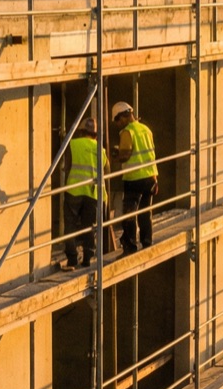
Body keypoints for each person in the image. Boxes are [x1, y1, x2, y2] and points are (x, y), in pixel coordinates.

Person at [110, 101, 158, 255]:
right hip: (150, 177)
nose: (118, 125)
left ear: (122, 117)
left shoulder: (127, 132)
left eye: (117, 121)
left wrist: (115, 155)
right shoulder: (146, 129)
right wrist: (155, 178)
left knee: (130, 213)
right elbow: (150, 154)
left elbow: (126, 155)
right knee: (145, 213)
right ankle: (147, 242)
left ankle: (130, 246)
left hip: (134, 179)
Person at [62, 119, 102, 270]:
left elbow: (67, 167)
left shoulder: (73, 144)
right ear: (95, 135)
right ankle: (87, 258)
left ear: (80, 132)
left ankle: (72, 258)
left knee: (70, 224)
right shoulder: (100, 149)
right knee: (89, 226)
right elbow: (107, 170)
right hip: (92, 193)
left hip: (74, 190)